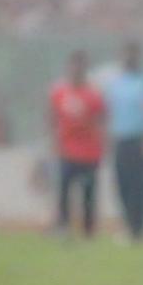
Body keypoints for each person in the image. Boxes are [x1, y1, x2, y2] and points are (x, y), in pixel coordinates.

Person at [48, 50, 105, 238]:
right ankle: (62, 227)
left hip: (89, 152)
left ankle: (88, 231)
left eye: (80, 65)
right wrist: (54, 142)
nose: (76, 69)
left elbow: (102, 121)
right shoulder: (59, 93)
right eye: (73, 65)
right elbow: (51, 118)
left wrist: (103, 144)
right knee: (64, 192)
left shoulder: (93, 94)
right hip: (67, 151)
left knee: (88, 193)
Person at [106, 40, 143, 241]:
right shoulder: (115, 84)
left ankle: (140, 228)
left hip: (140, 139)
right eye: (127, 54)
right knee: (122, 183)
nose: (130, 58)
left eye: (133, 54)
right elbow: (109, 113)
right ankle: (129, 224)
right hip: (121, 138)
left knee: (141, 184)